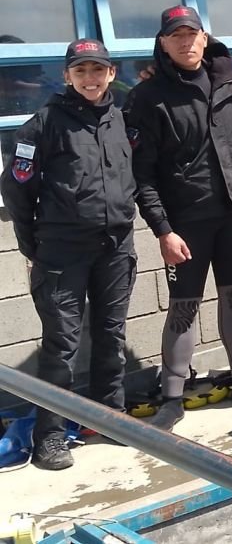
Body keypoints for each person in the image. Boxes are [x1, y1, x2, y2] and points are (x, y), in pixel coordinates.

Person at [125, 6, 232, 431]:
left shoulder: (230, 81)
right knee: (183, 307)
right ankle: (172, 397)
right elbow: (142, 175)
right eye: (176, 36)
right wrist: (163, 230)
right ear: (163, 43)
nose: (185, 42)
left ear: (205, 38)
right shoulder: (146, 97)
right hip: (185, 223)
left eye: (192, 34)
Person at [1, 39, 136, 469]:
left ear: (111, 74)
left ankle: (111, 418)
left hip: (115, 247)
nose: (90, 79)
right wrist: (32, 244)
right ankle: (51, 436)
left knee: (111, 336)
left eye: (98, 70)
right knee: (61, 345)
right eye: (81, 72)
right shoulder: (42, 124)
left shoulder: (121, 118)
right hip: (62, 251)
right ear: (66, 76)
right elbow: (16, 188)